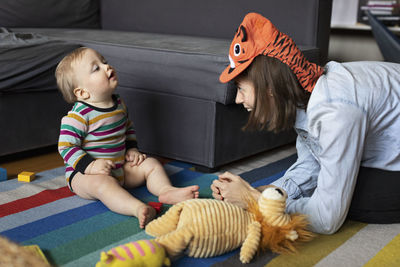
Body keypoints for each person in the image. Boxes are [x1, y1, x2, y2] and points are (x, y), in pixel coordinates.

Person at [211, 12, 400, 234]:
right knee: (330, 178)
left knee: (351, 198)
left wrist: (255, 201)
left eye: (241, 89)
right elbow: (314, 160)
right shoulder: (307, 94)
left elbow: (327, 220)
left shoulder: (334, 111)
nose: (237, 99)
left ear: (270, 89)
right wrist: (269, 190)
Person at [55, 47, 199, 228]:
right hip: (84, 176)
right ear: (82, 93)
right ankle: (137, 208)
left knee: (151, 164)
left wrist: (132, 149)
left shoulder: (118, 103)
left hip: (119, 168)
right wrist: (90, 166)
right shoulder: (78, 116)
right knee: (103, 185)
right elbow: (66, 147)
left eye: (104, 62)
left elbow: (127, 128)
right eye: (96, 68)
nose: (107, 67)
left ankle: (166, 190)